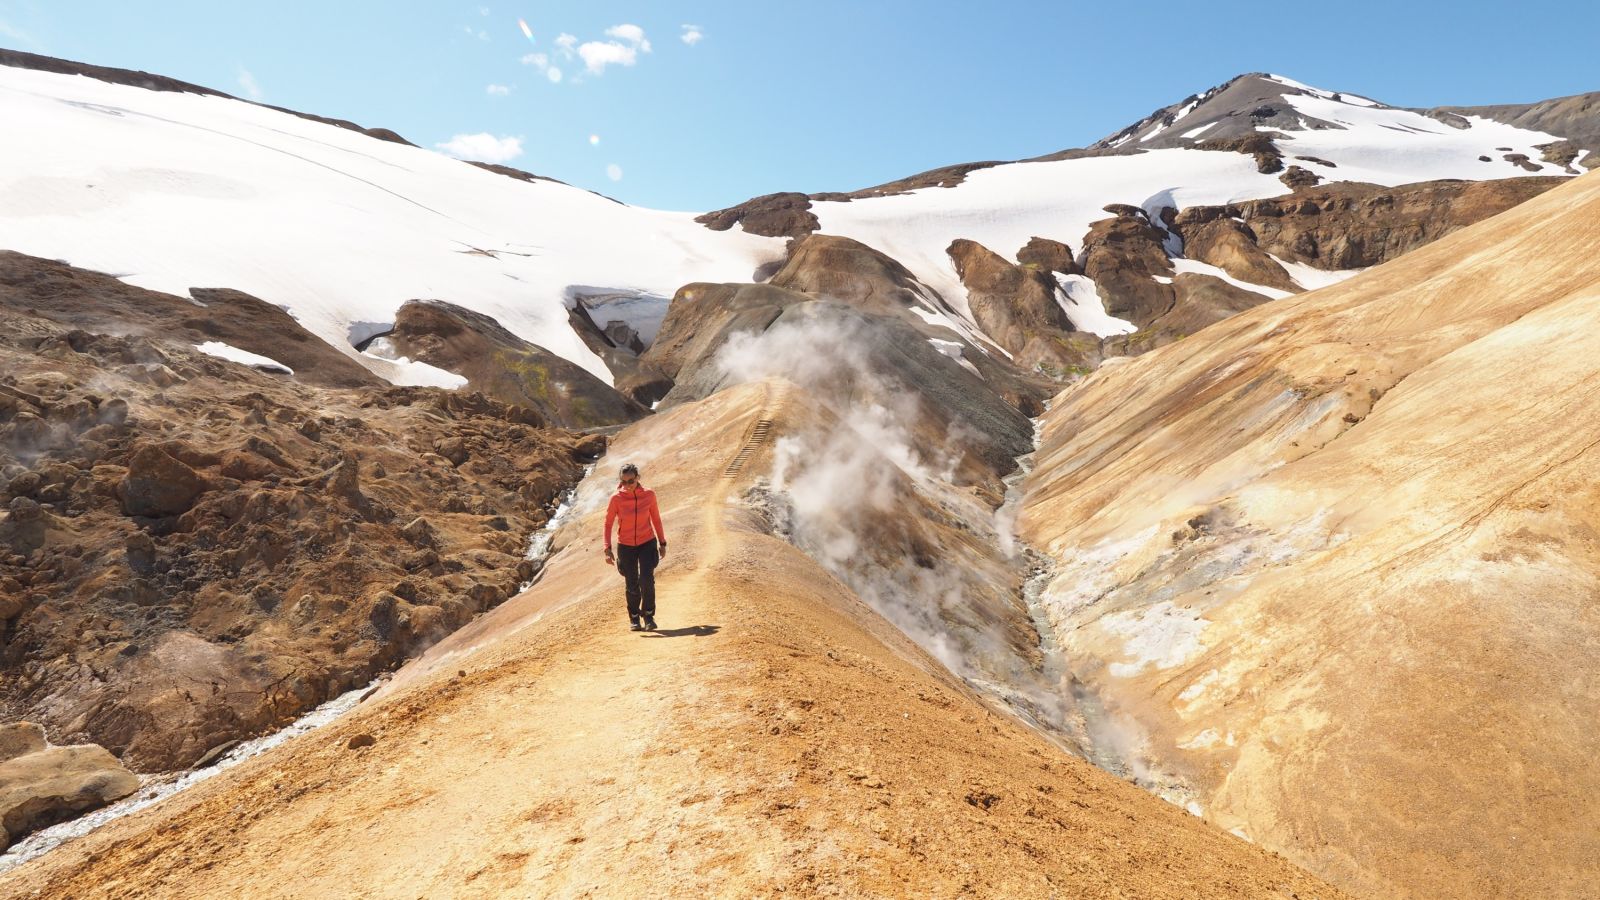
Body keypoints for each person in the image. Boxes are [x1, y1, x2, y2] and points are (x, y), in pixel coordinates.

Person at [603, 462, 667, 631]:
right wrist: (607, 548)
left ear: (638, 478)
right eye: (624, 482)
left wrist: (662, 542)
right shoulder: (616, 498)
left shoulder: (649, 495)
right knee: (631, 583)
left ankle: (649, 616)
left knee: (646, 580)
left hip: (647, 542)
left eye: (631, 481)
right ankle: (634, 619)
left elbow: (656, 519)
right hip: (625, 545)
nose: (628, 485)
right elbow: (608, 523)